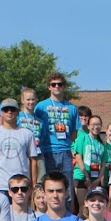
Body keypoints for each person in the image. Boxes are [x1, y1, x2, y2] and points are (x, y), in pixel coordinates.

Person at [34, 73, 80, 208]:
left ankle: (68, 216)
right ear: (49, 87)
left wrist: (65, 143)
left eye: (60, 84)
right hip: (47, 151)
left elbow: (74, 132)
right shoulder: (41, 106)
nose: (57, 87)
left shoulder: (72, 108)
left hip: (65, 151)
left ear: (64, 86)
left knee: (67, 188)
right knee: (47, 186)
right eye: (53, 84)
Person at [0, 99, 38, 194]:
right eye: (6, 109)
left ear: (17, 112)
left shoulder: (27, 134)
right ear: (1, 112)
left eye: (12, 109)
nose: (9, 112)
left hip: (21, 185)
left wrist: (33, 184)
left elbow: (33, 160)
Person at [72, 114, 107, 210]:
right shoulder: (82, 138)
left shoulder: (102, 143)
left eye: (98, 124)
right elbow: (78, 157)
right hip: (82, 177)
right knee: (83, 207)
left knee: (95, 207)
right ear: (88, 126)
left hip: (95, 178)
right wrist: (86, 176)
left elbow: (103, 163)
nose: (96, 127)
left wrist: (99, 179)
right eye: (93, 124)